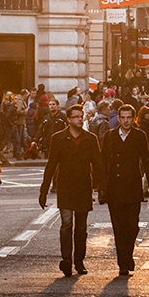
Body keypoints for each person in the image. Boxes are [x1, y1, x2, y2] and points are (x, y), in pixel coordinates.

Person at [39, 104, 103, 277]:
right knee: (66, 224)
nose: (79, 120)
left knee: (81, 228)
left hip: (83, 187)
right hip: (66, 187)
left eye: (81, 117)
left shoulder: (90, 139)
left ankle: (79, 261)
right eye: (75, 117)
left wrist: (102, 188)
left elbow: (98, 165)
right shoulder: (58, 138)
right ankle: (66, 259)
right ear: (68, 119)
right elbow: (51, 164)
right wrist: (43, 190)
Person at [98, 104, 149, 276]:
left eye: (129, 117)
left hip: (133, 187)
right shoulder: (110, 136)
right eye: (123, 117)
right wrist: (101, 186)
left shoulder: (139, 136)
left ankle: (128, 255)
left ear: (134, 118)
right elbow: (102, 162)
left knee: (132, 225)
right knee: (118, 227)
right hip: (114, 188)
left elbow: (146, 159)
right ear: (118, 118)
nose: (126, 120)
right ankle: (123, 262)